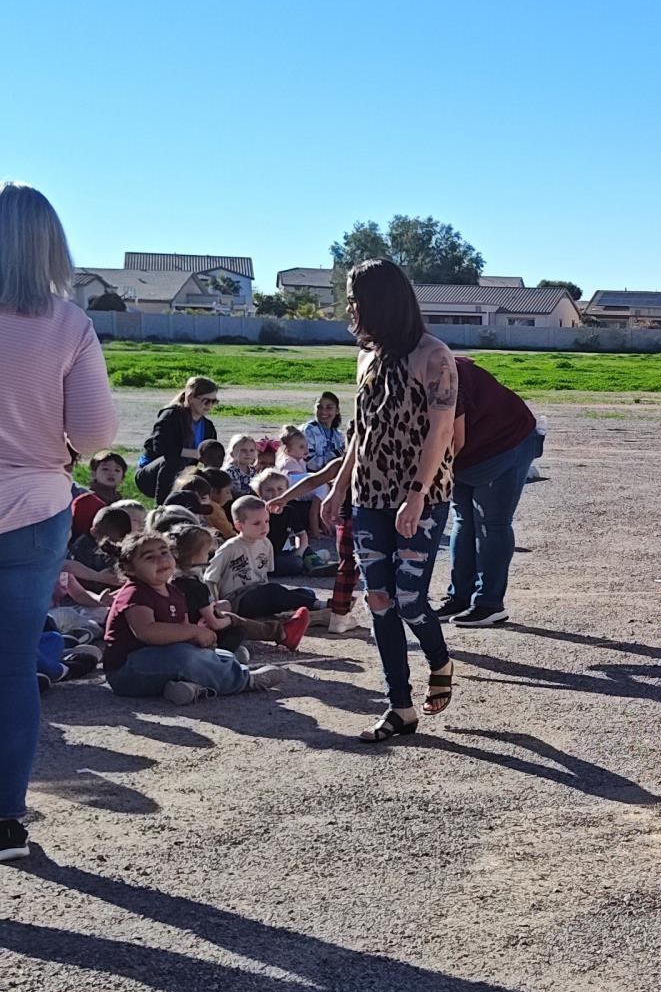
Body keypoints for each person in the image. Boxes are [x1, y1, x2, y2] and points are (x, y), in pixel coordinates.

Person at [0, 184, 120, 860]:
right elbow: (98, 430)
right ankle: (4, 822)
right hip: (34, 508)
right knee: (12, 669)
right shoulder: (67, 322)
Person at [320, 259, 459, 741]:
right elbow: (363, 428)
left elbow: (441, 430)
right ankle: (399, 706)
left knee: (408, 598)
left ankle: (440, 659)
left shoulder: (434, 356)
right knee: (377, 599)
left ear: (380, 301)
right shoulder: (367, 356)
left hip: (421, 496)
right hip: (368, 496)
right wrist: (339, 486)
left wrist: (417, 494)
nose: (351, 308)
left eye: (356, 298)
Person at [102, 527, 279, 704]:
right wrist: (194, 632)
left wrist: (199, 642)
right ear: (130, 570)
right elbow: (147, 631)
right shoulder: (135, 593)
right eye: (150, 557)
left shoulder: (174, 592)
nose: (161, 559)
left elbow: (182, 630)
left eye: (165, 552)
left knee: (215, 655)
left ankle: (190, 689)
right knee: (185, 657)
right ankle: (244, 681)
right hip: (126, 673)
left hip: (156, 668)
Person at [434, 357, 544, 626]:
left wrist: (429, 478)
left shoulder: (440, 373)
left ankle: (489, 602)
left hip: (504, 441)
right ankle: (459, 597)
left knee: (492, 523)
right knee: (464, 521)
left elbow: (454, 438)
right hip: (470, 449)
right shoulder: (415, 369)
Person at [208, 496, 320, 646]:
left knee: (288, 593)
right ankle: (319, 604)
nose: (264, 527)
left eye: (266, 521)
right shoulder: (229, 548)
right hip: (237, 599)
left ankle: (304, 600)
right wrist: (215, 605)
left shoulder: (266, 544)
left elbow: (265, 575)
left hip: (259, 591)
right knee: (274, 593)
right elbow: (209, 578)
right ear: (239, 526)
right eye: (257, 523)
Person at [135, 377, 220, 504]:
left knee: (213, 474)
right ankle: (162, 508)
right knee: (173, 460)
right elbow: (160, 448)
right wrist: (194, 453)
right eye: (206, 401)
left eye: (214, 401)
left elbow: (212, 452)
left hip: (183, 473)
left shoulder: (208, 427)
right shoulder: (171, 416)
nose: (210, 405)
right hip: (150, 475)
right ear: (190, 397)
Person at [71, 451, 129, 538]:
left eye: (117, 470)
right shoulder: (88, 499)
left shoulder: (120, 500)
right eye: (105, 469)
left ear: (123, 478)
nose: (111, 473)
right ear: (93, 474)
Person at [305, 392, 347, 475]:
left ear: (337, 410)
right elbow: (311, 464)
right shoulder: (308, 431)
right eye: (319, 407)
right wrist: (336, 454)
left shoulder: (338, 435)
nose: (323, 411)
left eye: (329, 407)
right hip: (309, 477)